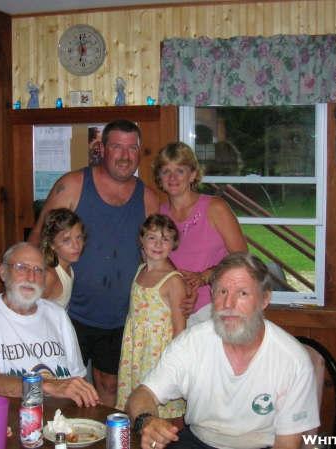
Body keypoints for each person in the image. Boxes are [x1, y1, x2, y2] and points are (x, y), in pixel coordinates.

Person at [126, 252, 320, 449]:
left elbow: (288, 444)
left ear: (264, 299)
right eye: (222, 292)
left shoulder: (292, 360)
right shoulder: (192, 342)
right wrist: (147, 421)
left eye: (242, 293)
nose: (229, 304)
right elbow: (142, 395)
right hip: (198, 442)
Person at [29, 119, 160, 406]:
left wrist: (178, 285)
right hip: (67, 313)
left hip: (120, 315)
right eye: (117, 147)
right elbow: (37, 239)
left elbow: (160, 255)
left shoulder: (148, 197)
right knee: (61, 387)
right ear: (101, 149)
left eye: (132, 148)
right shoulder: (73, 185)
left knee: (109, 386)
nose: (125, 156)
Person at [0, 242, 99, 407]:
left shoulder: (57, 315)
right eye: (22, 267)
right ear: (3, 272)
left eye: (38, 270)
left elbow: (78, 376)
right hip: (9, 420)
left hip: (60, 421)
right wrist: (46, 386)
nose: (31, 277)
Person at [153, 142, 247, 321]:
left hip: (215, 307)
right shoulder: (159, 214)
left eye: (180, 170)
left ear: (193, 174)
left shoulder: (215, 207)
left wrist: (205, 276)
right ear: (159, 177)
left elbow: (242, 257)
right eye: (166, 171)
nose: (172, 177)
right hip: (173, 308)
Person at [116, 214, 186, 417]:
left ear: (174, 244)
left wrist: (173, 364)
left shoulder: (173, 281)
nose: (158, 244)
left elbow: (180, 329)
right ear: (142, 240)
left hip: (157, 355)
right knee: (134, 406)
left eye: (165, 239)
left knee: (158, 409)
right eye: (152, 237)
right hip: (136, 351)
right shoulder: (140, 270)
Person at [39, 208, 86, 308]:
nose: (76, 246)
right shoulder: (50, 276)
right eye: (66, 240)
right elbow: (27, 311)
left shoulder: (68, 267)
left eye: (79, 237)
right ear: (52, 244)